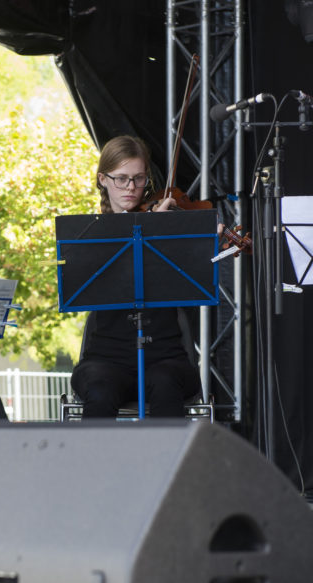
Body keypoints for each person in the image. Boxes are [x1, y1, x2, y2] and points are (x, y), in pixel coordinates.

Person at [69, 135, 202, 418]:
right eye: (121, 179)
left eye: (139, 179)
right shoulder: (88, 235)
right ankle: (96, 463)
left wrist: (199, 240)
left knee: (165, 383)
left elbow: (195, 274)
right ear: (103, 179)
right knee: (100, 389)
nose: (131, 188)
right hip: (106, 357)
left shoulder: (168, 228)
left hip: (166, 356)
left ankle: (168, 463)